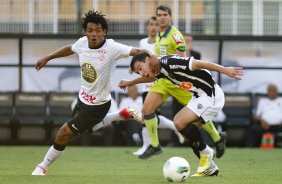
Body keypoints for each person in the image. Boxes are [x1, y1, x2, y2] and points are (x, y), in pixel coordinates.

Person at [31, 10, 146, 176]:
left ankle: (42, 166)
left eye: (98, 30)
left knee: (64, 132)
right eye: (90, 30)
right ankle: (120, 114)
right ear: (85, 32)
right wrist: (47, 58)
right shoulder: (82, 43)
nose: (94, 34)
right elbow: (69, 49)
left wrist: (152, 58)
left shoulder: (112, 47)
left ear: (104, 32)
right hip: (82, 99)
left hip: (98, 105)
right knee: (82, 131)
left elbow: (137, 51)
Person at [120, 52, 243, 176]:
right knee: (185, 129)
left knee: (180, 123)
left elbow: (198, 64)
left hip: (210, 95)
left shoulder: (170, 63)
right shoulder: (158, 69)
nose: (141, 73)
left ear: (148, 59)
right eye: (137, 72)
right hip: (197, 97)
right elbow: (151, 78)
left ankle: (206, 153)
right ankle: (209, 166)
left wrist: (225, 70)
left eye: (140, 68)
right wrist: (131, 82)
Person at [133, 5, 226, 160]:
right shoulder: (159, 35)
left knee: (196, 114)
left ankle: (217, 137)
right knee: (147, 109)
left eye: (164, 15)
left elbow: (181, 59)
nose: (161, 17)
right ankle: (155, 145)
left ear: (170, 17)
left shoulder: (176, 36)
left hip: (178, 82)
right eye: (159, 15)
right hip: (163, 81)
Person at [133, 16, 185, 156]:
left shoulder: (162, 40)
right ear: (147, 27)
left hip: (159, 82)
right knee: (148, 114)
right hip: (146, 83)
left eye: (156, 24)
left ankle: (150, 145)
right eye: (151, 24)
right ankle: (149, 144)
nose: (153, 27)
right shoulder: (142, 42)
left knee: (149, 114)